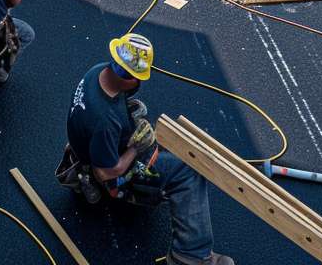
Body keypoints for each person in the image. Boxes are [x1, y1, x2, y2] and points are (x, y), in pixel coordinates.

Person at [65, 34, 234, 265]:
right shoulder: (106, 121)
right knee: (188, 171)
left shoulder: (97, 72)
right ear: (132, 77)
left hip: (87, 146)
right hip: (109, 172)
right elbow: (104, 173)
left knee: (139, 111)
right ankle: (190, 256)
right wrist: (136, 148)